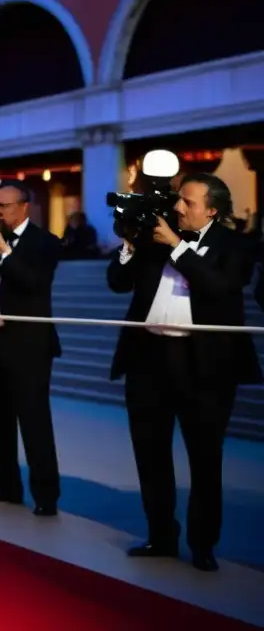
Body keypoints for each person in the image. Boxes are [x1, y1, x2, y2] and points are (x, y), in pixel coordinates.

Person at [107, 172, 260, 573]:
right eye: (179, 200)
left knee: (205, 460)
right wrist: (128, 241)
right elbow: (117, 283)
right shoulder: (157, 236)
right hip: (148, 361)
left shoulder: (235, 246)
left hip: (204, 367)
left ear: (212, 210)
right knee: (150, 454)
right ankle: (160, 535)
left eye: (188, 203)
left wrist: (176, 248)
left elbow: (220, 287)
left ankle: (203, 543)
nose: (177, 207)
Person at [0, 181, 62, 516]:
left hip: (28, 346)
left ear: (24, 207)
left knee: (34, 421)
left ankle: (45, 496)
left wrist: (4, 252)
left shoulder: (45, 243)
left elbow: (33, 283)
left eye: (4, 206)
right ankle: (6, 486)